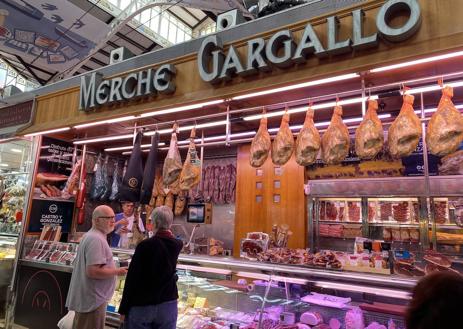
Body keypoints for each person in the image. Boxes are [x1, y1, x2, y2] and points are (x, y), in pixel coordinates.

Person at [118, 205, 183, 329]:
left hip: (143, 304)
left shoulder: (145, 245)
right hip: (168, 303)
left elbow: (132, 278)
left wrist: (123, 309)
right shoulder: (177, 244)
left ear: (154, 222)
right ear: (170, 223)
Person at [66, 205, 128, 329]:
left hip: (91, 299)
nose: (113, 221)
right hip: (92, 301)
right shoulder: (96, 239)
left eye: (113, 217)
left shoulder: (94, 236)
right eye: (108, 218)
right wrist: (117, 271)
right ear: (97, 220)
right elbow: (92, 271)